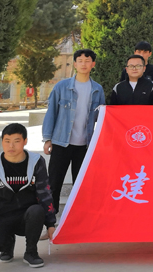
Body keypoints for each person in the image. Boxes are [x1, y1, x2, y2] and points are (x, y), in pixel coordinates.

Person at [0, 123, 57, 268]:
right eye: (7, 141)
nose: (11, 146)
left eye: (16, 141)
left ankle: (31, 252)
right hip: (2, 216)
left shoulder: (36, 162)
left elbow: (45, 194)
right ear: (2, 142)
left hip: (26, 217)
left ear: (25, 141)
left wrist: (50, 224)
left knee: (37, 210)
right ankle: (7, 244)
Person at [42, 48, 105, 214]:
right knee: (54, 183)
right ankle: (50, 218)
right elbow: (51, 113)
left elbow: (101, 117)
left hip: (84, 145)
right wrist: (47, 139)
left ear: (93, 64)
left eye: (87, 61)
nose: (84, 64)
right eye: (80, 61)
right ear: (75, 64)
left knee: (81, 184)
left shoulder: (97, 89)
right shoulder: (61, 86)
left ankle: (78, 218)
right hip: (61, 142)